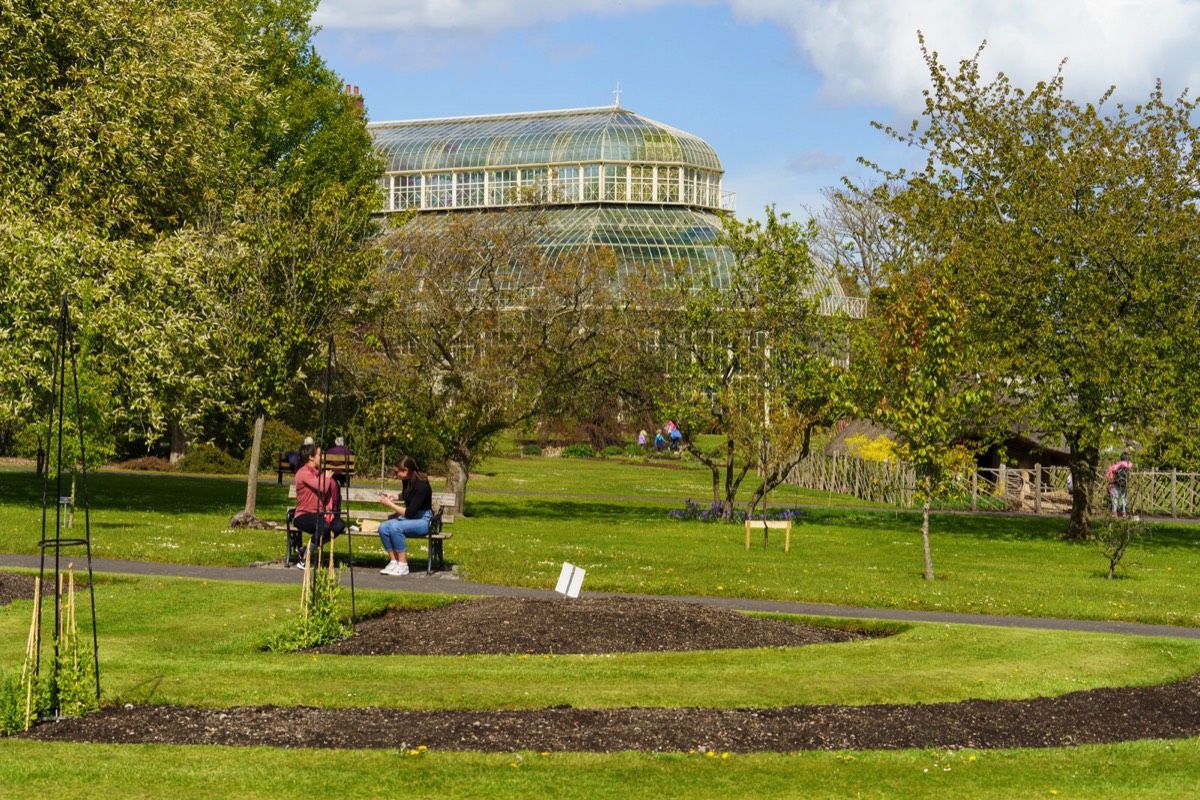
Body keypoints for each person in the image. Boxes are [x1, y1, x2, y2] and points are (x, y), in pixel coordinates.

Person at [375, 455, 434, 576]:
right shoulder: (407, 480)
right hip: (411, 518)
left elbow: (410, 512)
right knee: (383, 528)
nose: (396, 475)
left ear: (405, 470)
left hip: (423, 520)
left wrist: (390, 504)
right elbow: (407, 495)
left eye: (397, 472)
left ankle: (403, 565)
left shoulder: (422, 485)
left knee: (396, 528)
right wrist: (394, 496)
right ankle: (394, 561)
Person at [292, 442, 344, 569]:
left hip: (320, 514)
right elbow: (322, 488)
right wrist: (326, 478)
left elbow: (327, 495)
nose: (322, 457)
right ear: (311, 457)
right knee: (323, 527)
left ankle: (305, 550)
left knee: (339, 525)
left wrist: (329, 512)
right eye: (320, 455)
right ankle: (305, 560)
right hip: (303, 515)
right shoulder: (303, 473)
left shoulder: (318, 473)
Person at [1107, 453, 1133, 518]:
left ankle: (1114, 513)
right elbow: (1131, 466)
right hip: (1124, 483)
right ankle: (1124, 512)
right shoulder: (1128, 464)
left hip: (1116, 483)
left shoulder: (1118, 464)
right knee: (1124, 498)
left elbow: (1112, 470)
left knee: (1115, 498)